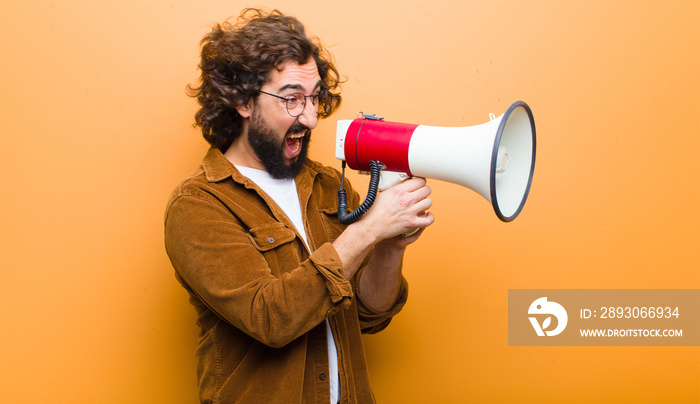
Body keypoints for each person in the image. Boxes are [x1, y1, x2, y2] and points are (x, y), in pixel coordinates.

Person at [164, 8, 434, 404]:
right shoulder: (198, 204)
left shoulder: (327, 186)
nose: (309, 118)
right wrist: (370, 229)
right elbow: (270, 318)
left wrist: (391, 246)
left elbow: (366, 315)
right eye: (292, 99)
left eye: (315, 99)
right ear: (243, 100)